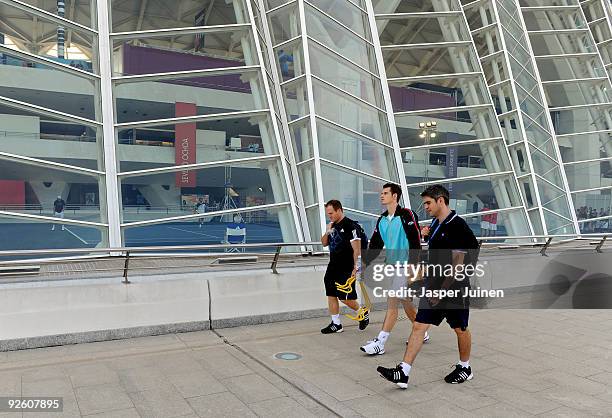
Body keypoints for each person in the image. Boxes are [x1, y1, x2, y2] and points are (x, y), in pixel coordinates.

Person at [377, 184, 479, 388]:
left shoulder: (457, 226)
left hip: (454, 289)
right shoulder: (436, 224)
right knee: (418, 325)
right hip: (434, 285)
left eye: (428, 203)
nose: (425, 207)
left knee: (460, 329)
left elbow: (458, 264)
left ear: (441, 200)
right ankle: (403, 372)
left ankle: (465, 367)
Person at [360, 183, 427, 355]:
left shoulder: (407, 215)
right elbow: (375, 243)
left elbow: (415, 240)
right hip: (392, 266)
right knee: (406, 304)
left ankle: (380, 342)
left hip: (405, 266)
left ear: (395, 196)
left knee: (392, 303)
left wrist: (414, 265)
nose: (381, 196)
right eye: (381, 193)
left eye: (385, 193)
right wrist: (365, 262)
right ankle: (422, 331)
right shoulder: (382, 219)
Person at [320, 200, 369, 334]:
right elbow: (324, 243)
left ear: (339, 210)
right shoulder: (332, 225)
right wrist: (327, 231)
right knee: (330, 294)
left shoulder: (350, 226)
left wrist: (355, 268)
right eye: (327, 214)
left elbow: (357, 249)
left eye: (331, 214)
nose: (329, 216)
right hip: (333, 266)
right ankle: (336, 324)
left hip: (346, 267)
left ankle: (362, 313)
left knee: (345, 298)